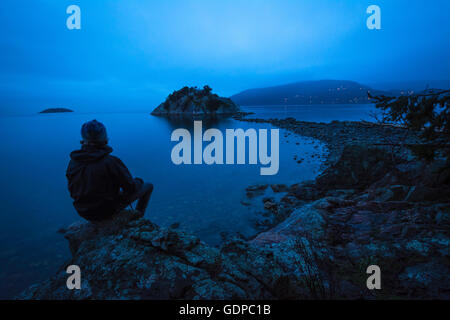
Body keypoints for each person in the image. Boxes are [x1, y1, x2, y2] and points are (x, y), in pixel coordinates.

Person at [66, 120, 153, 222]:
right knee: (148, 186)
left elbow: (72, 190)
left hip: (82, 210)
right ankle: (138, 220)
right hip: (105, 211)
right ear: (104, 138)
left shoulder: (73, 162)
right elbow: (130, 188)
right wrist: (139, 181)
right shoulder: (110, 162)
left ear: (84, 139)